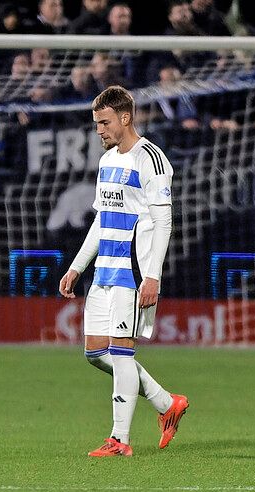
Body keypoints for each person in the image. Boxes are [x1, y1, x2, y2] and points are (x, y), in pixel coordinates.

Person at [58, 86, 188, 457]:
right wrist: (77, 266)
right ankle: (167, 404)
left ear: (125, 118)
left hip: (132, 272)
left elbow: (163, 224)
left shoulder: (151, 159)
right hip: (104, 271)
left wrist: (152, 276)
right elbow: (102, 219)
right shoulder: (107, 161)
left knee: (122, 352)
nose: (98, 130)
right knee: (97, 353)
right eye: (96, 123)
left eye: (104, 122)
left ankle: (120, 440)